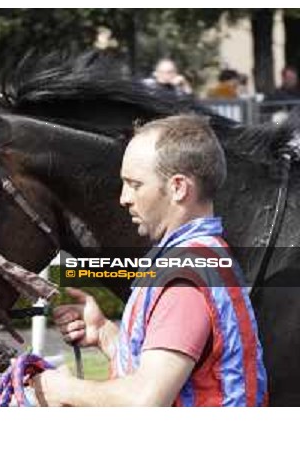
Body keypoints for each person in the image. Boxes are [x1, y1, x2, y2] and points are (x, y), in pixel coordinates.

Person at [31, 114, 267, 407]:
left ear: (179, 188)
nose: (123, 198)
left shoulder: (185, 278)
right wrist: (105, 333)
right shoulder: (203, 255)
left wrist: (65, 390)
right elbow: (167, 369)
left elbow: (145, 400)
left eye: (135, 184)